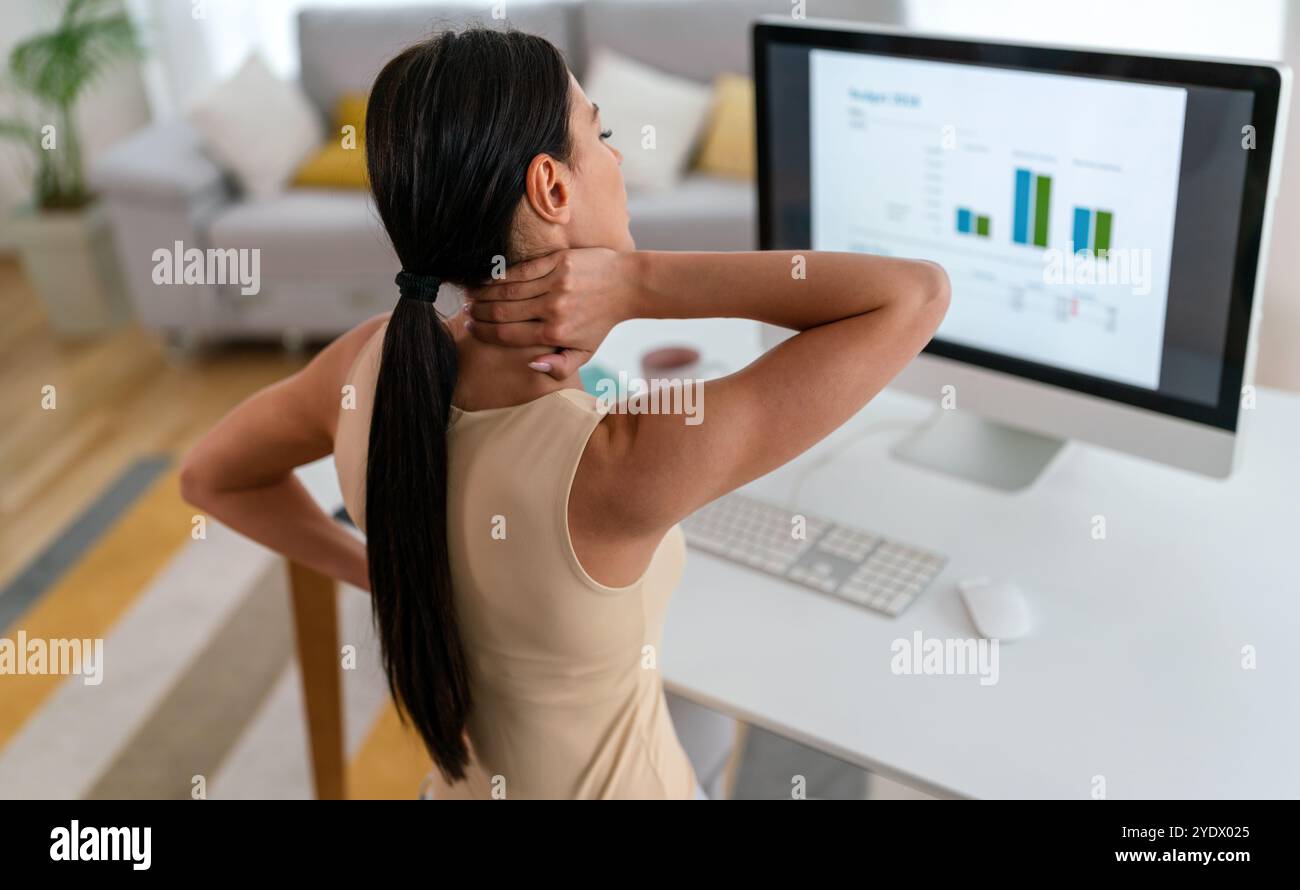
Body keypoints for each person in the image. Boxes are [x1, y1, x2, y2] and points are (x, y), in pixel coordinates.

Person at [179, 27, 949, 800]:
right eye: (602, 136)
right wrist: (640, 281)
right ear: (553, 189)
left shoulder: (363, 364)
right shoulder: (615, 461)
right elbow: (913, 295)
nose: (616, 159)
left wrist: (396, 578)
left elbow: (212, 478)